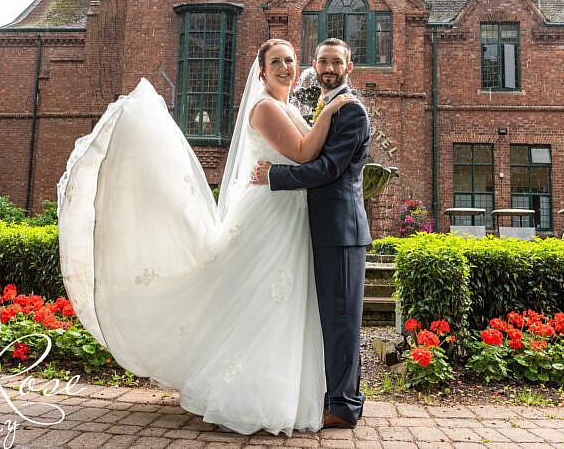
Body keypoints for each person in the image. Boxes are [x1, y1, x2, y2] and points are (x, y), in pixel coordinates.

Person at [55, 38, 355, 436]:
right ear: (261, 71)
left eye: (290, 60)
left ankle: (283, 390)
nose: (285, 67)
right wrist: (331, 110)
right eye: (276, 62)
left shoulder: (289, 107)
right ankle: (248, 395)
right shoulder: (265, 107)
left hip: (290, 214)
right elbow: (302, 153)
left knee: (284, 302)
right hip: (271, 214)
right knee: (263, 301)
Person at [250, 38, 371, 429]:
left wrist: (274, 174)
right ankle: (335, 396)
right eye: (323, 61)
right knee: (331, 320)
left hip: (341, 229)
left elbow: (329, 169)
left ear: (348, 68)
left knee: (342, 320)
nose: (329, 68)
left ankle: (345, 406)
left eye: (337, 62)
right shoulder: (323, 104)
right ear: (314, 66)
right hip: (321, 226)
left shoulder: (350, 110)